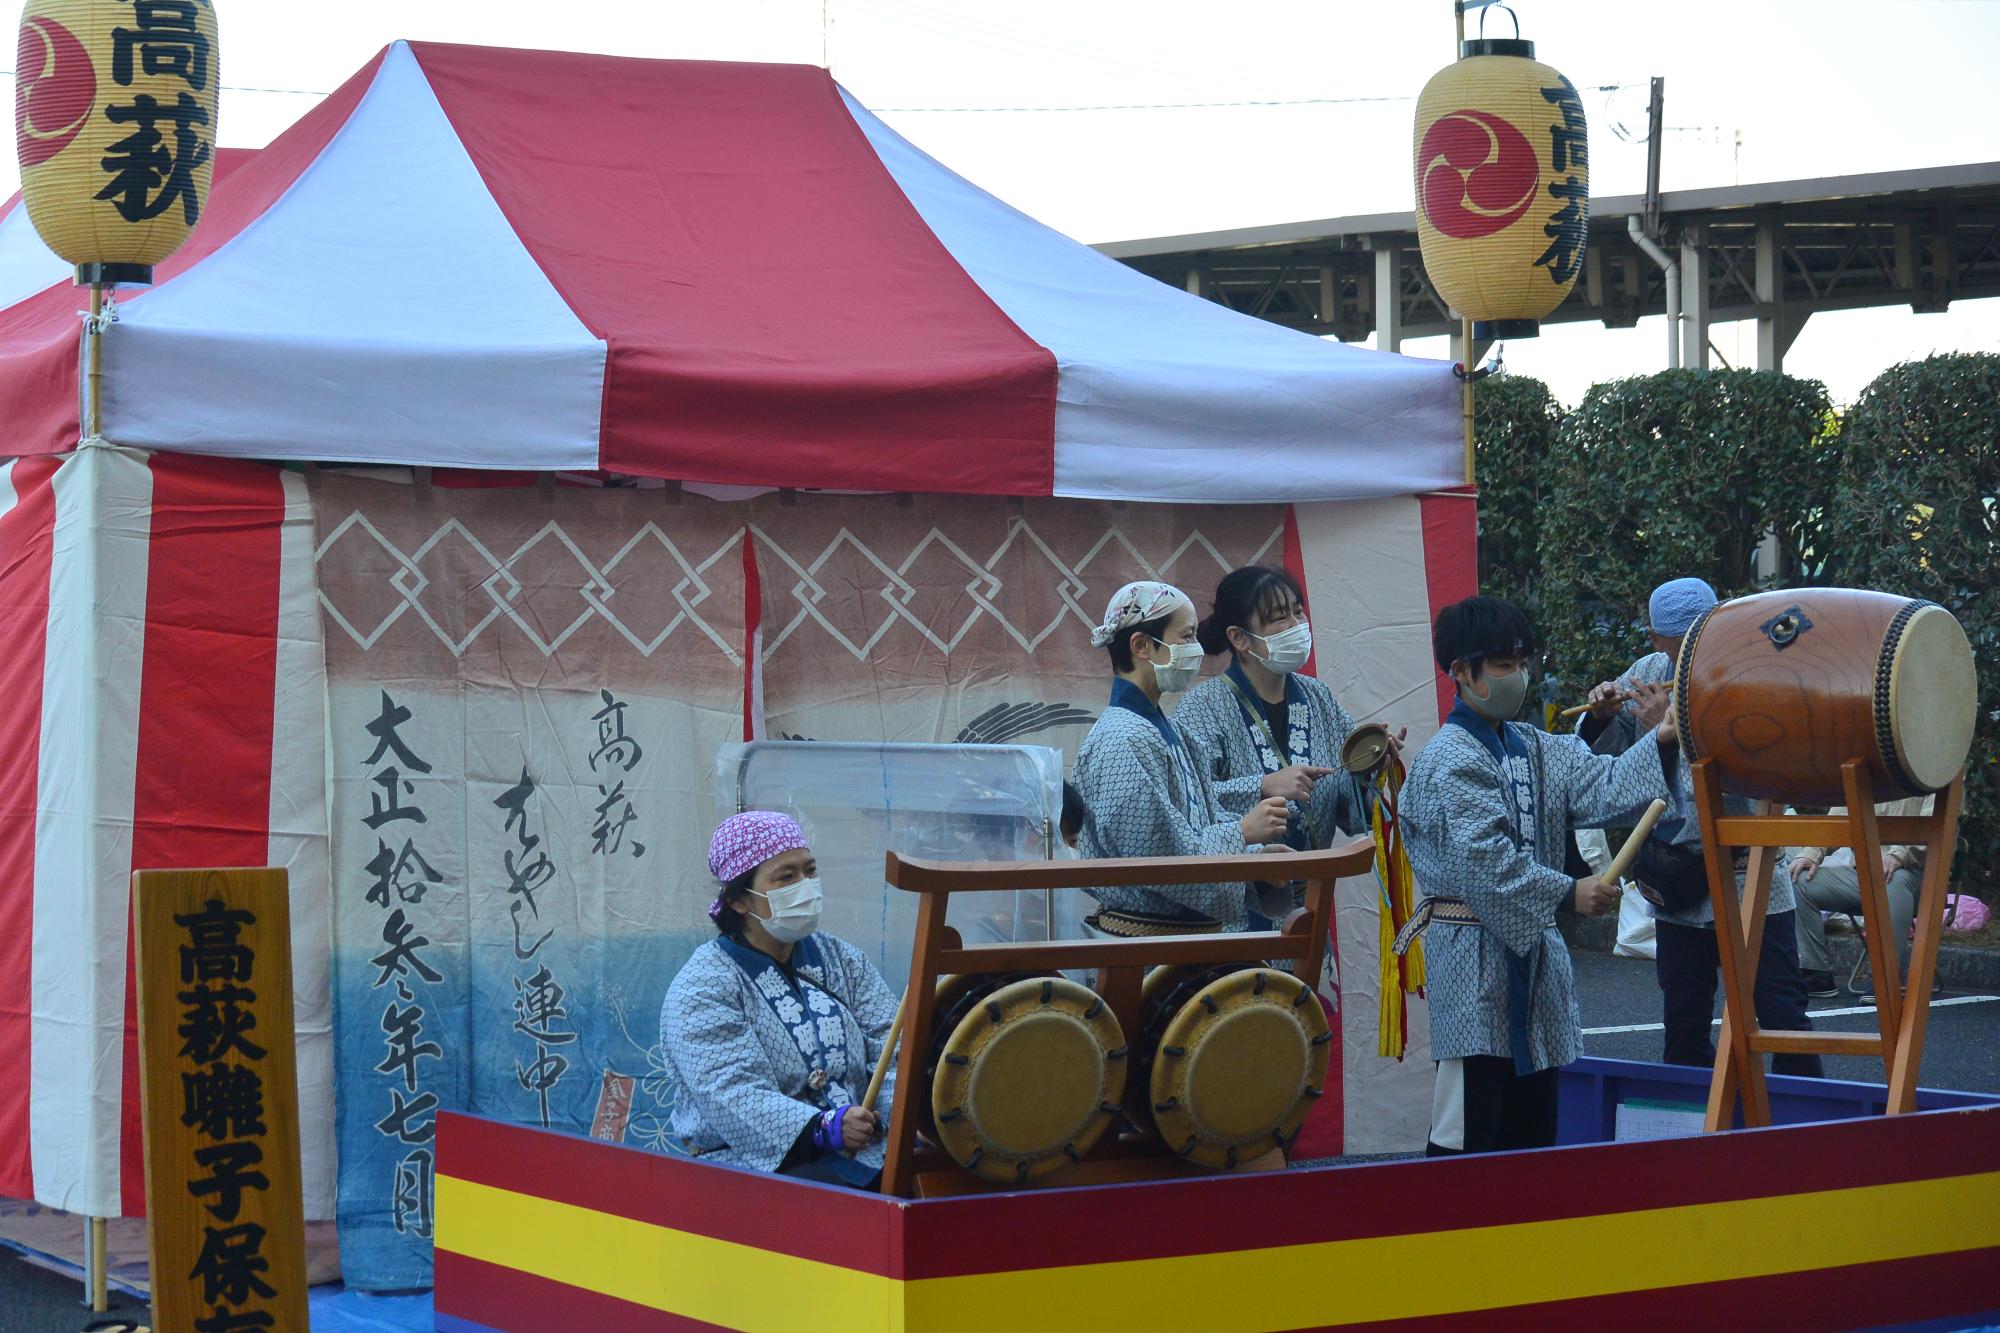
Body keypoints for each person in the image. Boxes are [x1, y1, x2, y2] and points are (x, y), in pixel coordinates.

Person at [1401, 596, 1676, 1156]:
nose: (1518, 676)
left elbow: (1605, 786)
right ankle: (1454, 1238)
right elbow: (1483, 860)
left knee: (1532, 1128)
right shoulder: (1449, 757)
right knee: (1469, 1129)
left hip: (1530, 956)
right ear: (1461, 672)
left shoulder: (1534, 745)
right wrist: (1568, 891)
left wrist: (1663, 738)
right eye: (1503, 664)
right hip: (1472, 957)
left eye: (1523, 662)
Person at [1581, 577, 1823, 1078]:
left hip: (1748, 872)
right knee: (1685, 1017)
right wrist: (1601, 717)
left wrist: (1660, 733)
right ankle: (1692, 1134)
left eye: (1705, 629)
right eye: (1682, 638)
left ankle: (1804, 1124)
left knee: (1780, 1010)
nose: (1696, 644)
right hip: (1680, 873)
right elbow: (1605, 776)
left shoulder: (1749, 672)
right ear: (1656, 639)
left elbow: (1740, 774)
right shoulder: (1648, 673)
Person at [660, 811, 899, 1187]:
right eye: (786, 877)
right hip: (749, 1171)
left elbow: (892, 1044)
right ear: (740, 900)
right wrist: (822, 1128)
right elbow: (730, 1093)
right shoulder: (703, 986)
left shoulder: (843, 959)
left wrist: (892, 1118)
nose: (805, 885)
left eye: (810, 871)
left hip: (868, 1151)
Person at [1069, 580, 1289, 935]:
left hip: (1181, 940)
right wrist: (1242, 833)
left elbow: (1200, 823)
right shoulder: (1121, 740)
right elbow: (1154, 858)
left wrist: (1252, 862)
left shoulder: (1166, 729)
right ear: (1142, 645)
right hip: (1148, 946)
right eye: (1186, 637)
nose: (1196, 649)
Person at [1174, 566, 1405, 858]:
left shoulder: (1319, 698)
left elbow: (1350, 807)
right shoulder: (1201, 709)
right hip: (1239, 894)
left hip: (1313, 891)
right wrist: (1262, 785)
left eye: (1298, 612)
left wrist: (1369, 766)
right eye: (1281, 617)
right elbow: (1186, 802)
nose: (1297, 625)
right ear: (1239, 637)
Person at [1790, 796, 1939, 1000]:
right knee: (1798, 879)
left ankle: (1886, 977)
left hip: (1917, 874)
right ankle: (1815, 972)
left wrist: (1898, 856)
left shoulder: (1938, 771)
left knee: (1891, 878)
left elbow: (1935, 825)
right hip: (1864, 875)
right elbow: (1836, 823)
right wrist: (1809, 854)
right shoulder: (1865, 771)